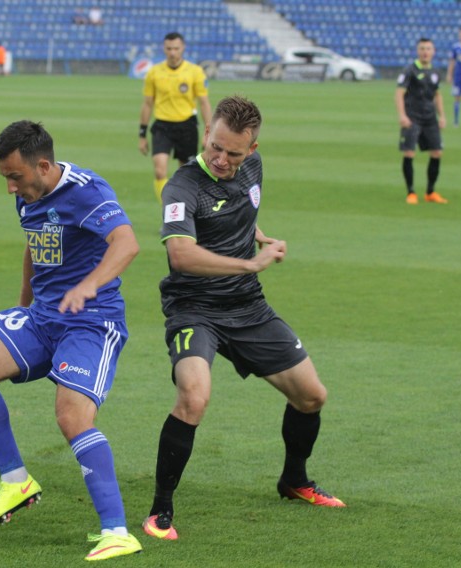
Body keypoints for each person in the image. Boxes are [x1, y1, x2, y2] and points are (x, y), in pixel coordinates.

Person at [142, 95, 346, 543]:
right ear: (208, 133)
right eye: (215, 146)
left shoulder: (253, 168)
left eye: (233, 152)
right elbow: (180, 254)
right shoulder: (183, 185)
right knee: (193, 397)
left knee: (312, 396)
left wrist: (256, 234)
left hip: (247, 307)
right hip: (194, 306)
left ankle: (294, 481)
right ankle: (160, 512)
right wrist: (251, 264)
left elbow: (240, 208)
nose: (220, 158)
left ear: (251, 149)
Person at [0, 120, 143, 561]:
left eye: (14, 177)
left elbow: (126, 244)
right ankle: (16, 481)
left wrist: (89, 285)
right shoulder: (27, 195)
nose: (10, 188)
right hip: (42, 318)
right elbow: (33, 244)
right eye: (4, 178)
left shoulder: (87, 191)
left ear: (42, 165)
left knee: (71, 415)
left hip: (90, 321)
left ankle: (117, 531)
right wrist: (23, 302)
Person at [138, 32, 212, 202]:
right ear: (164, 49)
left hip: (187, 126)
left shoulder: (195, 72)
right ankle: (167, 213)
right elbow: (147, 104)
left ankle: (183, 213)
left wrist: (209, 132)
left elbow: (204, 103)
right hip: (162, 126)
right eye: (169, 48)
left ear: (183, 48)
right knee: (159, 171)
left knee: (186, 173)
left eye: (176, 48)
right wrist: (142, 134)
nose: (172, 52)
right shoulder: (154, 72)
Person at [395, 37, 447, 205]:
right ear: (418, 51)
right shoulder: (409, 70)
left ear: (433, 52)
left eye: (428, 49)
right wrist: (402, 115)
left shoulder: (436, 72)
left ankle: (430, 192)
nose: (425, 52)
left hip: (430, 118)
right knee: (409, 152)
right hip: (412, 117)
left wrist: (442, 116)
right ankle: (411, 192)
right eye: (422, 49)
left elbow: (437, 95)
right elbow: (399, 93)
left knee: (437, 152)